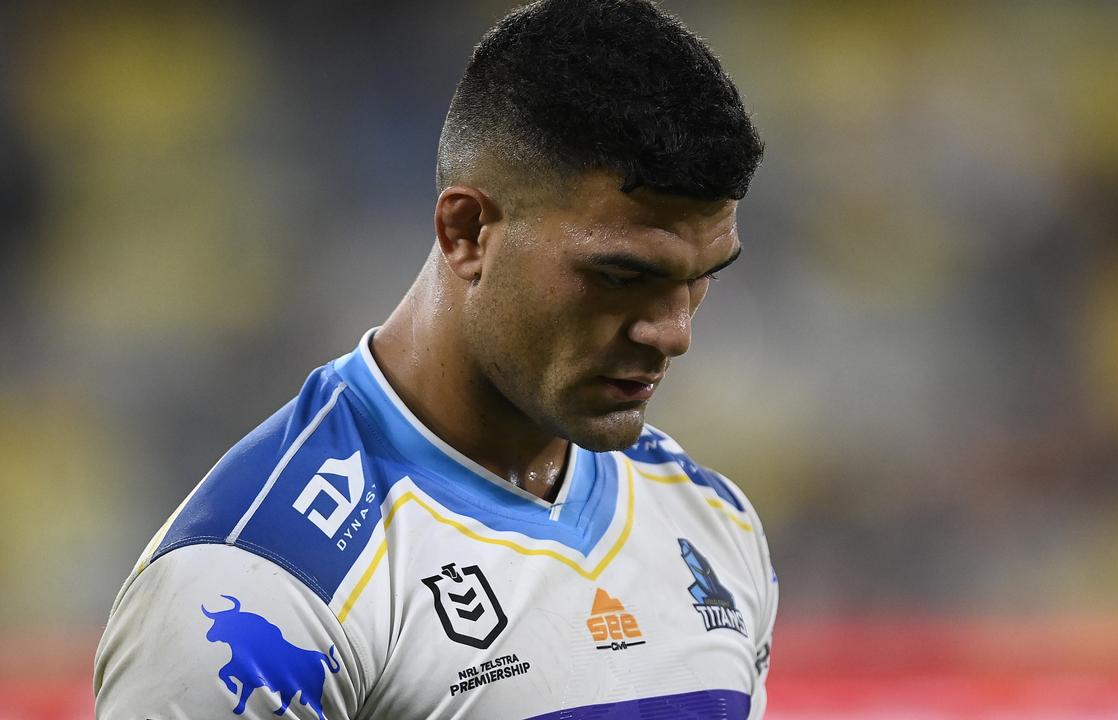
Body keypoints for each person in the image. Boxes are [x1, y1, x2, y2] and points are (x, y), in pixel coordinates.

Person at [93, 0, 777, 717]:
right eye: (622, 276)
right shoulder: (265, 579)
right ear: (467, 231)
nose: (674, 333)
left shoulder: (711, 522)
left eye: (703, 277)